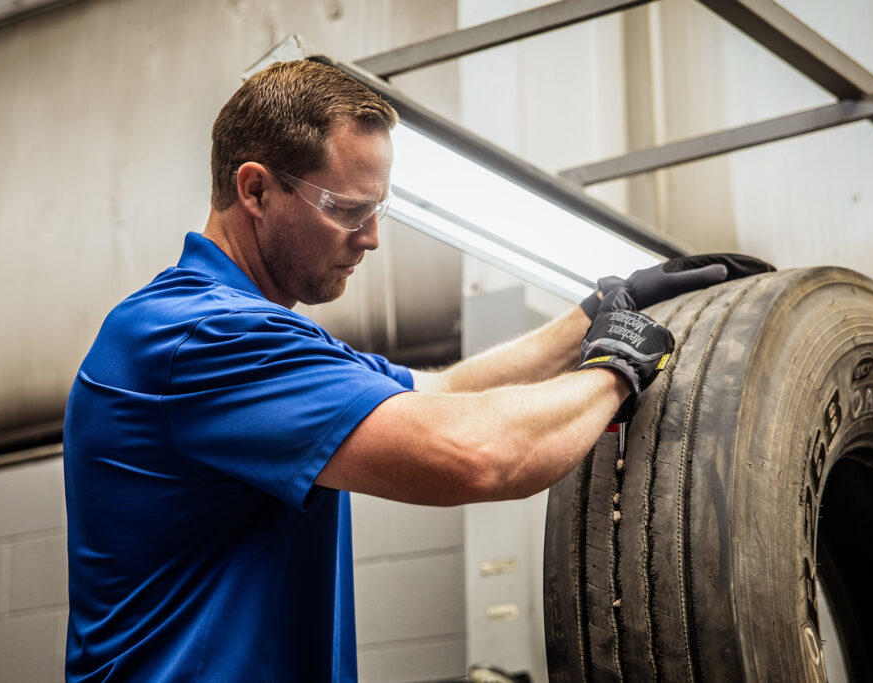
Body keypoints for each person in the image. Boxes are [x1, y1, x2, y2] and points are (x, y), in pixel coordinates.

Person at [63, 59, 772, 682]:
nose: (371, 238)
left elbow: (443, 393)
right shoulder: (197, 337)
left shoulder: (256, 335)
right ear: (254, 190)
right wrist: (617, 365)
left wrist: (593, 315)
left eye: (379, 210)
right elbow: (475, 455)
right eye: (347, 209)